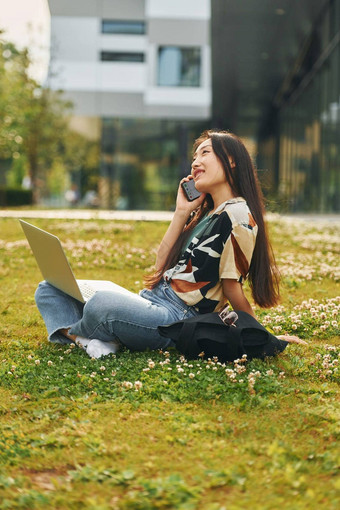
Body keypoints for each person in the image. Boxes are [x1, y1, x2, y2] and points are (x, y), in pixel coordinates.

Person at [35, 130, 306, 358]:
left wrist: (261, 336)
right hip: (152, 300)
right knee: (49, 288)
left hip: (175, 319)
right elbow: (161, 264)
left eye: (205, 153)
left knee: (101, 304)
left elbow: (232, 289)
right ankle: (88, 340)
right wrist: (181, 213)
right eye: (194, 156)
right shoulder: (210, 214)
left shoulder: (238, 218)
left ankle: (87, 333)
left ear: (232, 160)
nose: (195, 162)